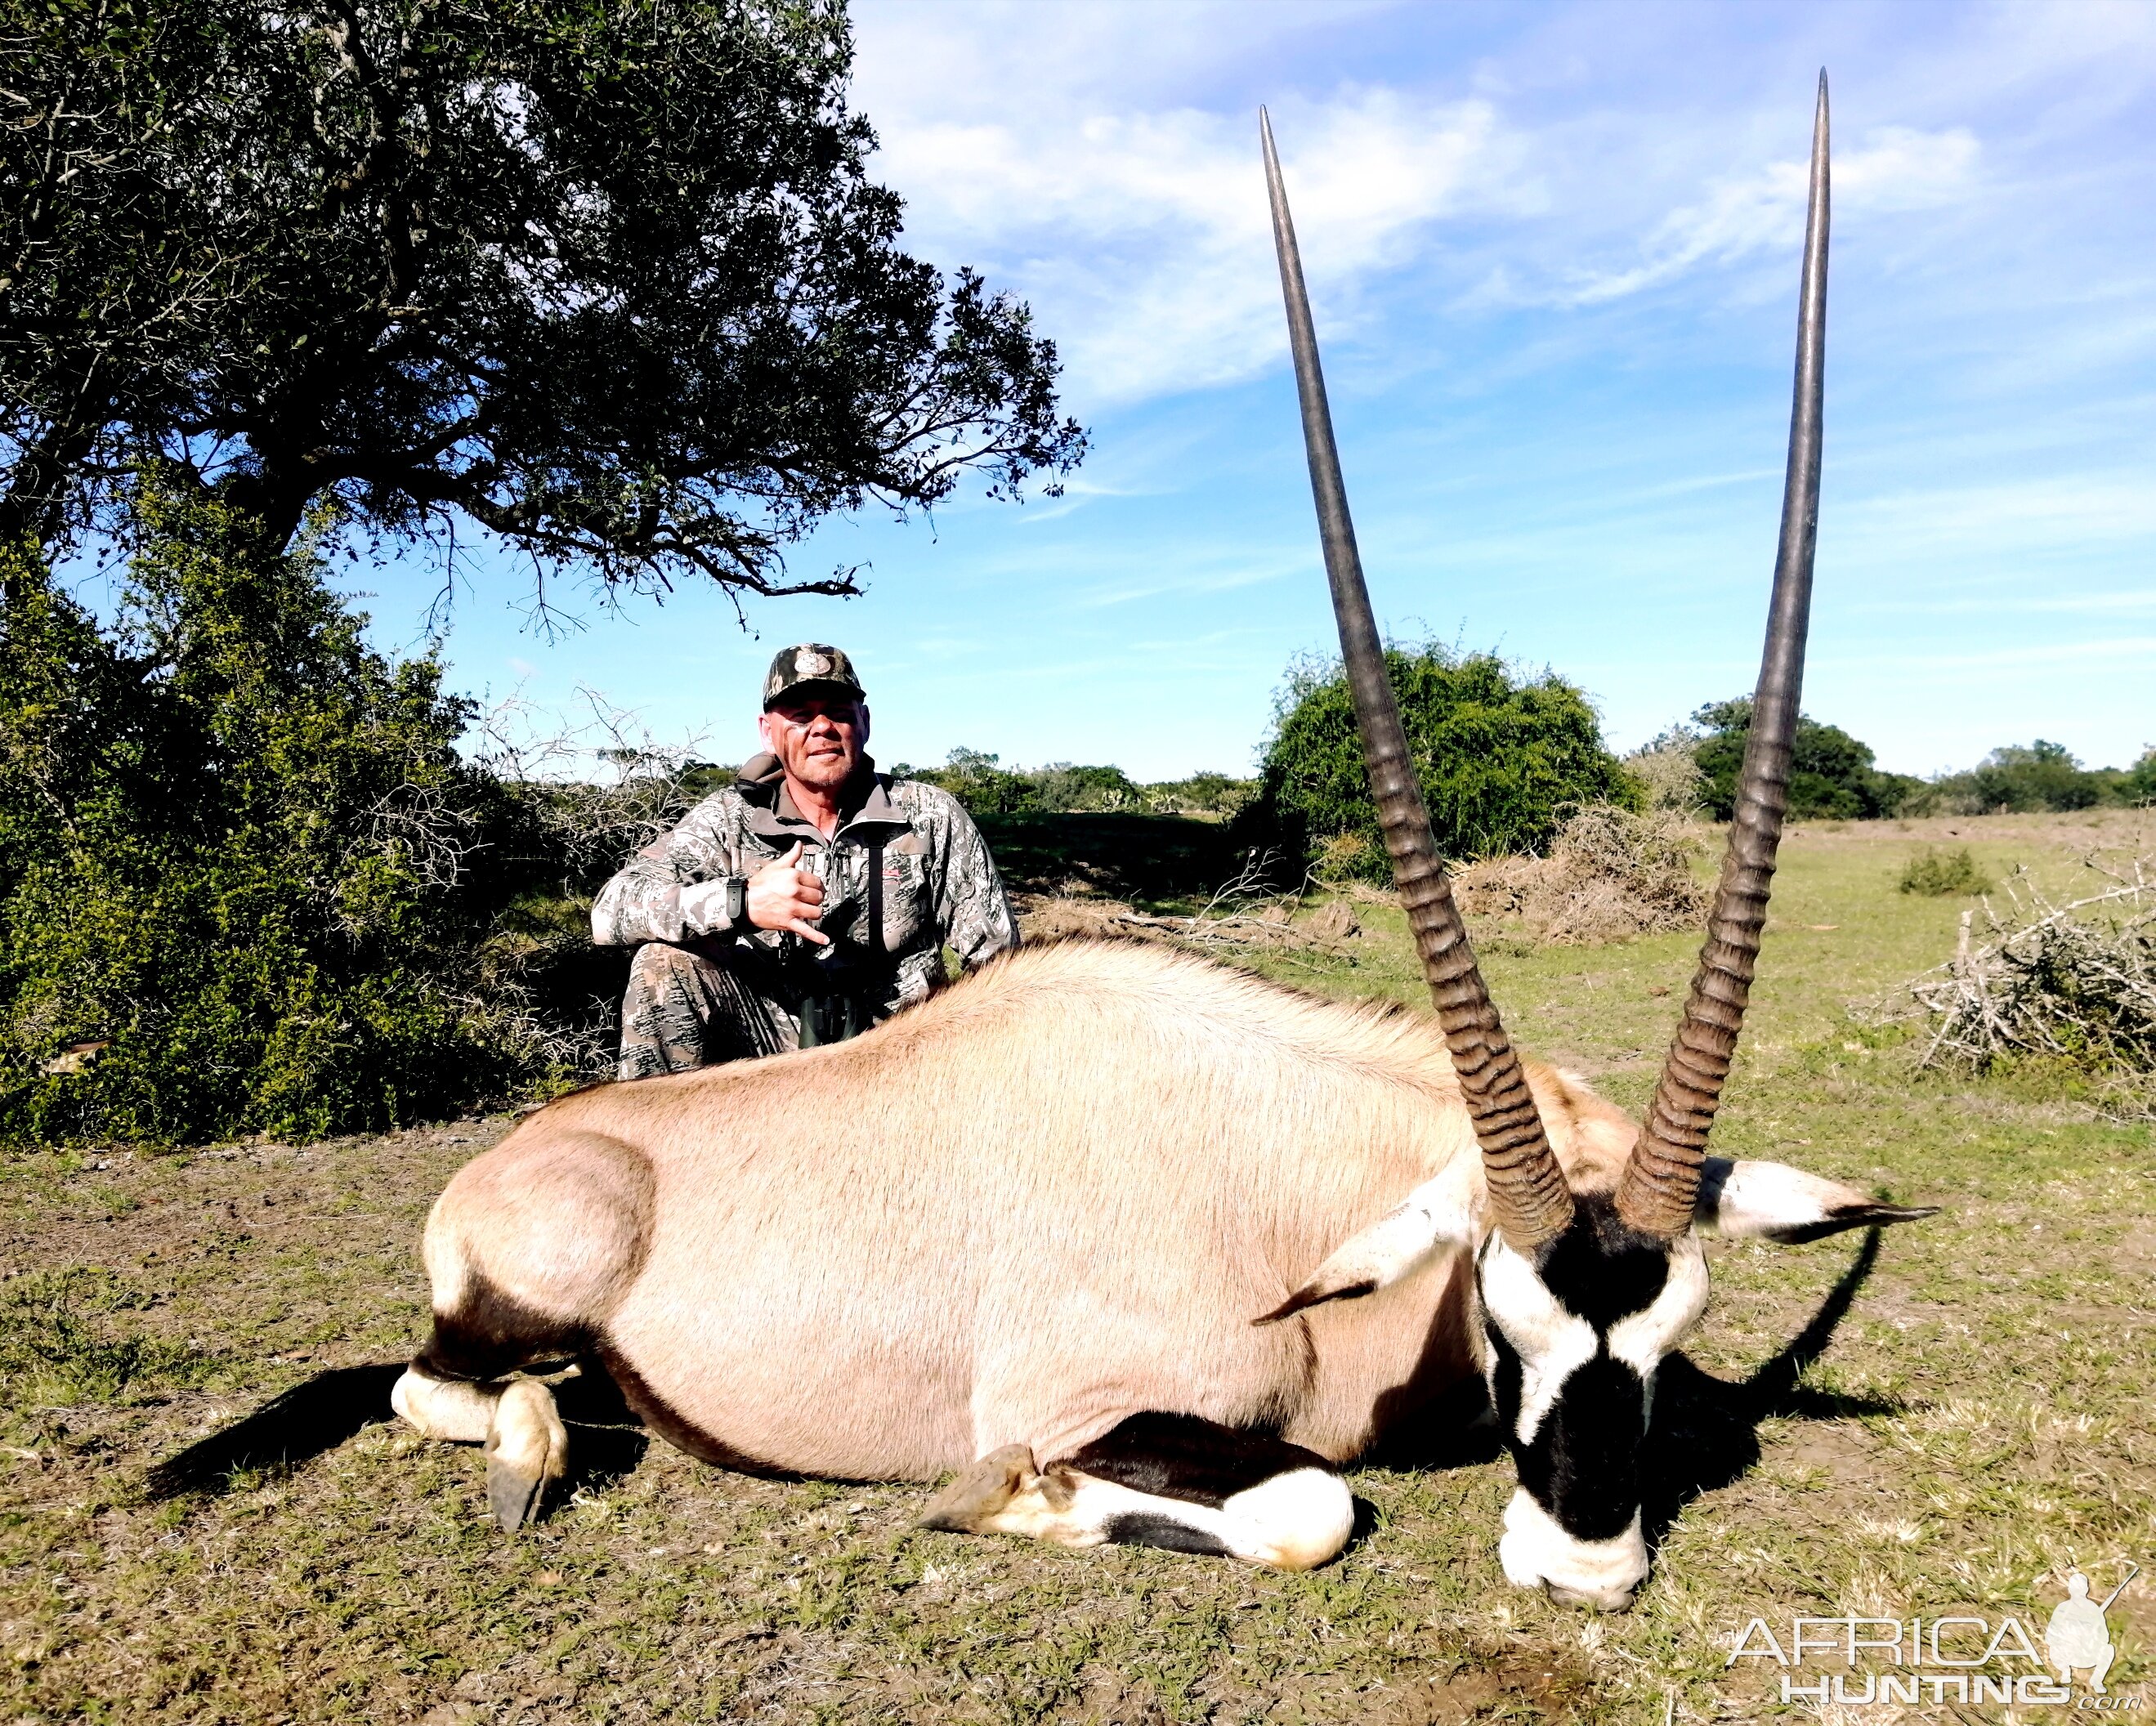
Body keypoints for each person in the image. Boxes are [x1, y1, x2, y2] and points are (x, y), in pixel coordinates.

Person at [591, 643, 1019, 1080]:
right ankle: (664, 1137)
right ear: (767, 730)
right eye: (799, 714)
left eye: (837, 711)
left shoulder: (929, 814)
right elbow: (610, 911)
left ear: (864, 722)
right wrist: (742, 903)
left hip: (904, 1046)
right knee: (661, 966)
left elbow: (1001, 962)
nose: (821, 728)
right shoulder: (726, 818)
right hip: (769, 1044)